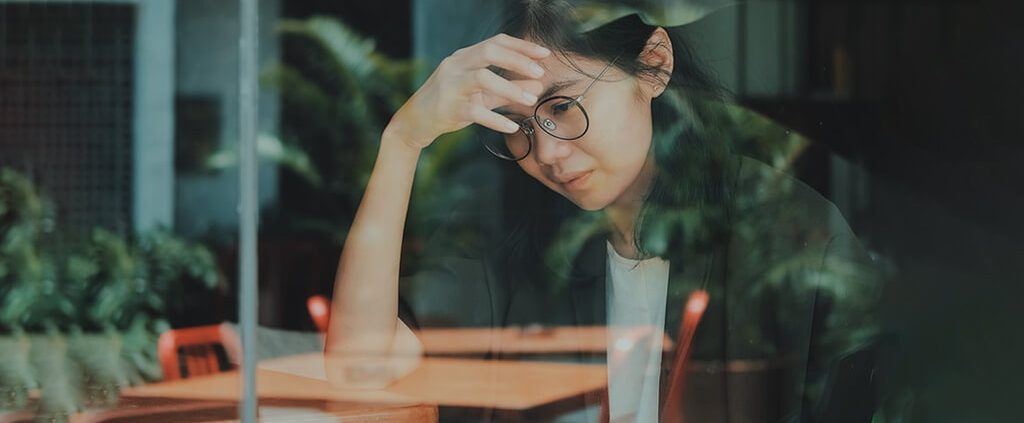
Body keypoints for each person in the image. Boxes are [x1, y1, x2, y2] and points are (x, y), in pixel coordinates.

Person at [326, 1, 881, 422]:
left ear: (654, 66)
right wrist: (403, 140)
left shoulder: (789, 234)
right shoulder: (513, 234)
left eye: (564, 107)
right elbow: (360, 368)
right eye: (517, 126)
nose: (545, 152)